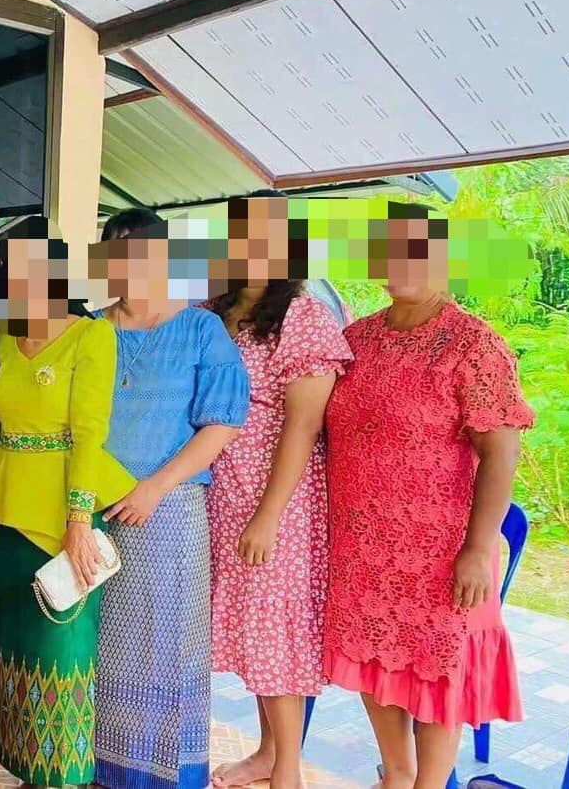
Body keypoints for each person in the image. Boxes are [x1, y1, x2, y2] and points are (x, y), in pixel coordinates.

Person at [323, 205, 534, 789]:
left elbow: (501, 452)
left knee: (438, 669)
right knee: (372, 658)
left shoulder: (475, 345)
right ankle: (396, 774)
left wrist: (478, 548)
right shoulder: (355, 340)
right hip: (362, 543)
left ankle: (429, 784)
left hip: (442, 549)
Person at [90, 208, 250, 789]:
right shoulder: (90, 329)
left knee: (164, 646)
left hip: (169, 512)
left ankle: (159, 776)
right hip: (94, 510)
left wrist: (154, 488)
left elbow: (221, 422)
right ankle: (99, 768)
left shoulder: (201, 329)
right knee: (97, 645)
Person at [203, 197, 352, 789]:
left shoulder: (304, 316)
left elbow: (304, 424)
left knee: (276, 630)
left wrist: (268, 514)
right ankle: (267, 753)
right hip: (224, 490)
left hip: (278, 498)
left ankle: (287, 767)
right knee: (252, 626)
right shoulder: (216, 308)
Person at [0, 216, 135, 788]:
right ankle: (27, 771)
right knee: (17, 649)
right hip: (4, 514)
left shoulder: (90, 335)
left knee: (62, 649)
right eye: (12, 267)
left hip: (63, 518)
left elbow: (89, 434)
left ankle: (65, 777)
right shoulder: (4, 336)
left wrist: (78, 521)